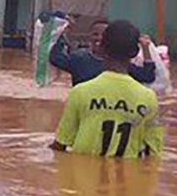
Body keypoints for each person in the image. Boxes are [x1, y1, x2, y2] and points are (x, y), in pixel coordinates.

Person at [51, 20, 164, 159]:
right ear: (135, 53)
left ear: (103, 48)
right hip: (127, 171)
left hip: (84, 171)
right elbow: (154, 152)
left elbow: (61, 144)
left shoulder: (79, 92)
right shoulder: (149, 98)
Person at [50, 20, 156, 87]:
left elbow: (148, 76)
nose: (99, 38)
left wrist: (146, 48)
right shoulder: (79, 59)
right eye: (95, 34)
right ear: (89, 36)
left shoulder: (119, 64)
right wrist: (61, 35)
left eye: (104, 35)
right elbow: (55, 58)